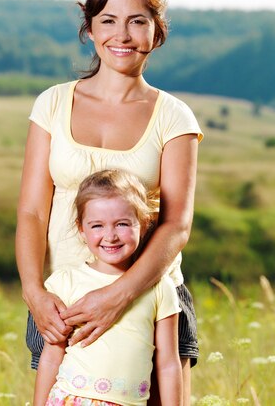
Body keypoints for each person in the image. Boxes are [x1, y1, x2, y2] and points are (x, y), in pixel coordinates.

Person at [15, 0, 203, 404]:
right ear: (90, 30)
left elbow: (176, 225)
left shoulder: (175, 116)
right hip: (67, 301)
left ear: (156, 32)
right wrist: (34, 292)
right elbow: (31, 211)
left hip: (149, 299)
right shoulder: (53, 102)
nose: (123, 35)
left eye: (138, 21)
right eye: (108, 21)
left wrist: (119, 294)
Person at [34, 169, 182, 406]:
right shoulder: (66, 282)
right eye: (97, 226)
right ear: (81, 229)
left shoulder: (159, 287)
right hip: (70, 399)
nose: (110, 236)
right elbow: (51, 357)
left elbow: (168, 363)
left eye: (122, 224)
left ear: (143, 224)